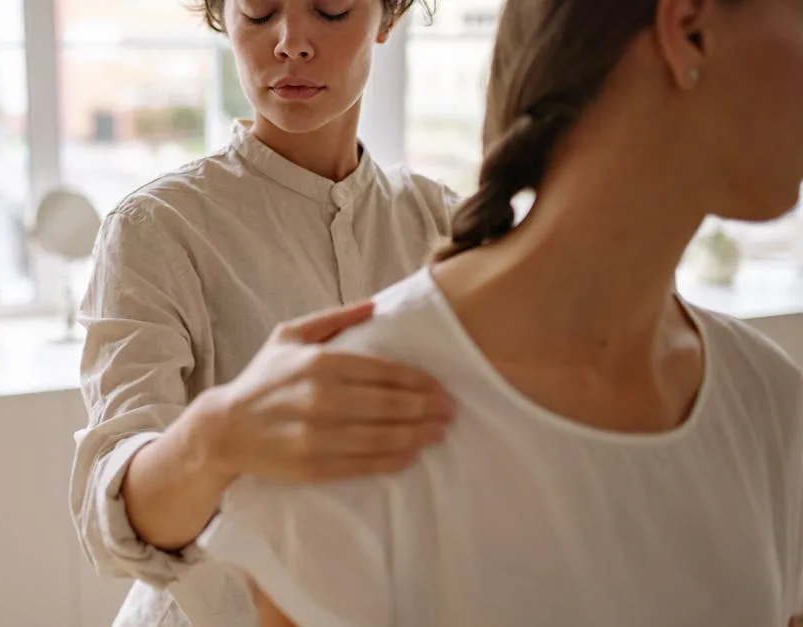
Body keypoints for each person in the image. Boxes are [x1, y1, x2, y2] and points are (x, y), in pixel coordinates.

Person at [198, 0, 803, 624]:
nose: (292, 42)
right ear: (690, 29)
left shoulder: (769, 397)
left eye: (330, 10)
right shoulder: (341, 421)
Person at [69, 0, 465, 625]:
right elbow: (112, 511)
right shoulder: (156, 230)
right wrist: (221, 434)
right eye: (258, 11)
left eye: (331, 9)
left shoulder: (441, 222)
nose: (290, 42)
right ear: (221, 17)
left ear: (387, 18)